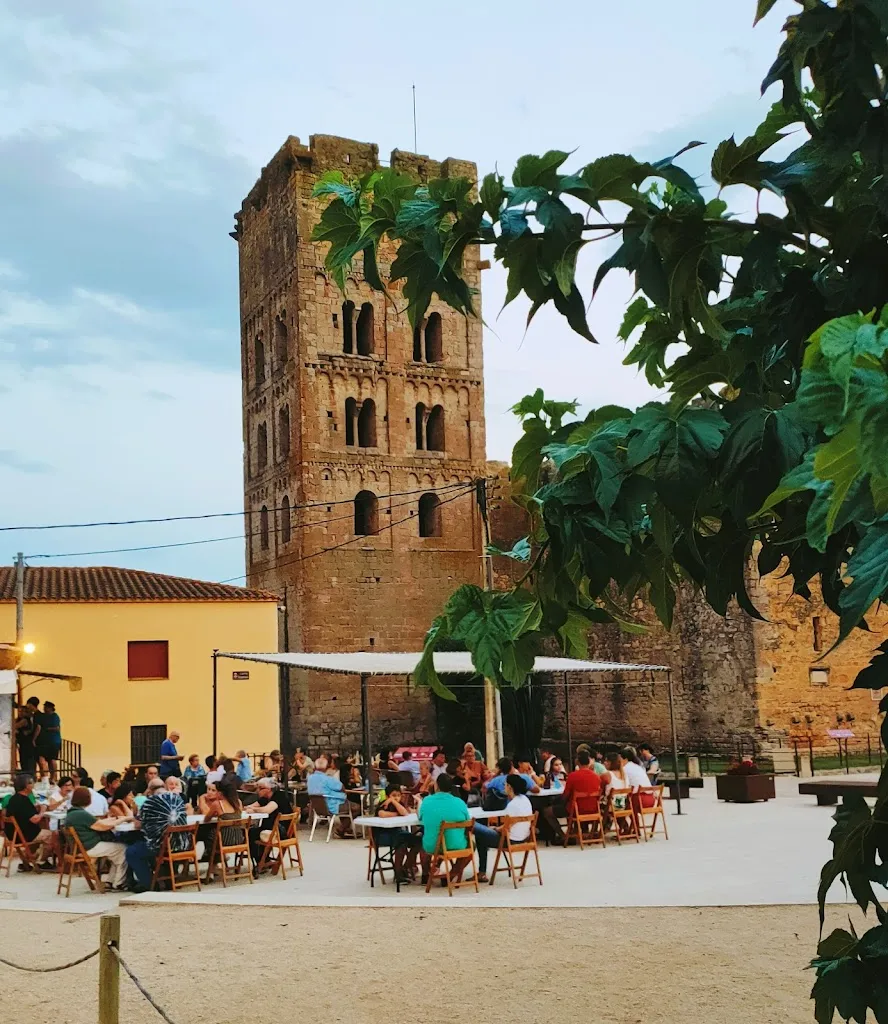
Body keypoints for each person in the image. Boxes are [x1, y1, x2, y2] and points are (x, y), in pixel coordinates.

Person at [124, 778, 187, 893]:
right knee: (145, 845)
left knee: (132, 851)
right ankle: (168, 879)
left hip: (162, 846)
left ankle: (149, 883)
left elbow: (138, 825)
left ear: (149, 790)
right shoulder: (178, 798)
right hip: (182, 844)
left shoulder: (149, 802)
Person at [64, 786, 129, 889]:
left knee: (116, 853)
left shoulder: (72, 813)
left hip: (82, 847)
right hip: (90, 847)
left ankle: (111, 881)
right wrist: (122, 820)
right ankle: (119, 882)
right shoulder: (81, 814)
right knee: (123, 848)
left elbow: (99, 823)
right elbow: (102, 827)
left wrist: (114, 819)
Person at [473, 774, 533, 883]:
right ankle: (481, 873)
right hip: (524, 838)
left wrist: (495, 829)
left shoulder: (512, 805)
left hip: (509, 840)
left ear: (510, 787)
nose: (504, 786)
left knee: (477, 830)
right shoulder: (525, 800)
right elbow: (509, 825)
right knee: (483, 831)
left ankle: (482, 872)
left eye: (505, 784)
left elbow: (505, 828)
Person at [417, 773, 471, 885]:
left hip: (432, 846)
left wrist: (418, 803)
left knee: (423, 839)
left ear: (436, 786)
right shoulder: (459, 802)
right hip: (456, 845)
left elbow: (420, 818)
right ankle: (451, 875)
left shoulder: (427, 801)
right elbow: (467, 822)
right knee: (471, 845)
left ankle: (426, 874)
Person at [3, 774, 53, 869]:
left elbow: (24, 812)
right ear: (26, 786)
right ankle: (41, 861)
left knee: (42, 833)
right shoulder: (23, 801)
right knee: (52, 835)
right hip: (24, 834)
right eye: (31, 783)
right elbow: (35, 820)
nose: (33, 785)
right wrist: (43, 810)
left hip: (13, 834)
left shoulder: (14, 799)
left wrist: (36, 808)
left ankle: (29, 860)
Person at [376, 782, 422, 881]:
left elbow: (404, 813)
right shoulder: (384, 803)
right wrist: (396, 812)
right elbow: (382, 814)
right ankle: (398, 873)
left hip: (398, 832)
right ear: (388, 796)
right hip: (383, 835)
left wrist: (394, 802)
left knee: (419, 841)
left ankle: (405, 867)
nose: (396, 798)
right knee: (401, 842)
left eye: (398, 795)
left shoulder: (399, 804)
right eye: (393, 796)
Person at [244, 777, 292, 870]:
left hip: (281, 831)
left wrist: (253, 809)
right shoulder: (265, 798)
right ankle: (263, 860)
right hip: (271, 828)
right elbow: (250, 806)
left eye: (260, 788)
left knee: (251, 834)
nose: (258, 791)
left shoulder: (279, 796)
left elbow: (267, 810)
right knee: (250, 832)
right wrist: (249, 808)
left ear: (269, 789)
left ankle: (261, 862)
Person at [307, 761, 349, 836]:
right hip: (332, 806)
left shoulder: (310, 779)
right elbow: (341, 787)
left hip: (318, 808)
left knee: (346, 807)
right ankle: (342, 829)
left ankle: (346, 829)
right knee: (355, 807)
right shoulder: (327, 779)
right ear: (326, 768)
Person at [35, 700, 62, 782]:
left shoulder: (55, 716)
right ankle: (49, 777)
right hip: (47, 742)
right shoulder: (45, 716)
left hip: (54, 741)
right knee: (48, 760)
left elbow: (57, 728)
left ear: (50, 708)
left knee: (52, 759)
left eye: (46, 707)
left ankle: (54, 777)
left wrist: (46, 729)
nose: (44, 708)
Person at [14, 697, 40, 774]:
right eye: (19, 711)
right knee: (24, 761)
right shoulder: (20, 719)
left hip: (27, 744)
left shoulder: (25, 720)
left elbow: (14, 726)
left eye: (22, 711)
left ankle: (30, 776)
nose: (20, 713)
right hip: (23, 744)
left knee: (28, 762)